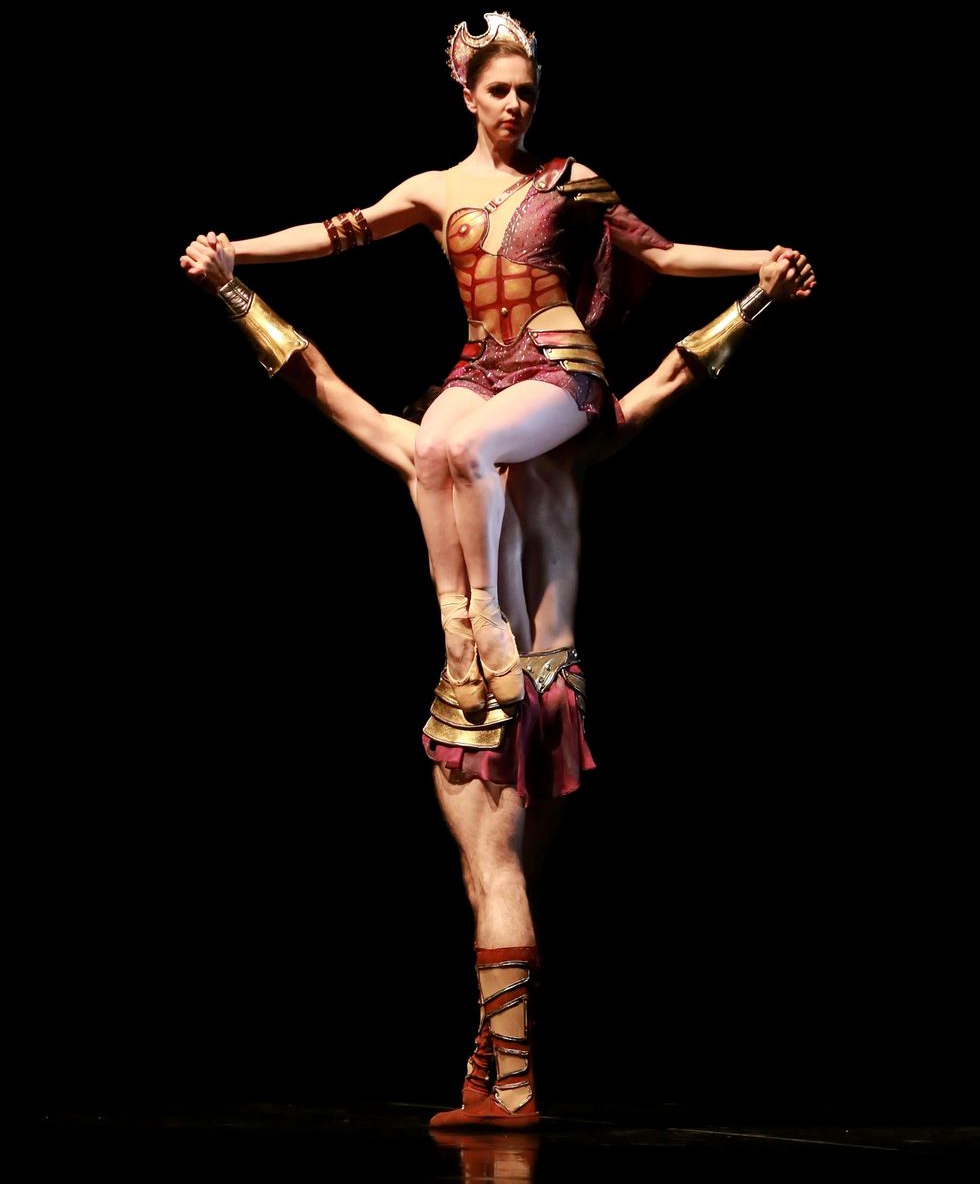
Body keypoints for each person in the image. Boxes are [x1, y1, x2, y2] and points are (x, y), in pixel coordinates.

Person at [182, 231, 812, 1128]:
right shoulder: (570, 449)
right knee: (515, 879)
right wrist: (758, 302)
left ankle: (511, 1083)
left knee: (492, 871)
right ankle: (489, 1063)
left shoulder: (433, 453)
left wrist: (230, 294)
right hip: (563, 684)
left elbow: (316, 382)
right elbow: (678, 373)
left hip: (488, 688)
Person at [180, 11, 815, 724]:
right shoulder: (435, 189)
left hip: (558, 366)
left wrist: (760, 264)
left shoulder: (566, 178)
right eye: (501, 91)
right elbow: (334, 235)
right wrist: (236, 253)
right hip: (481, 365)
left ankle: (488, 614)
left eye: (527, 93)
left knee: (473, 445)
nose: (516, 105)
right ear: (469, 97)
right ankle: (457, 627)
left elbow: (663, 254)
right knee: (430, 449)